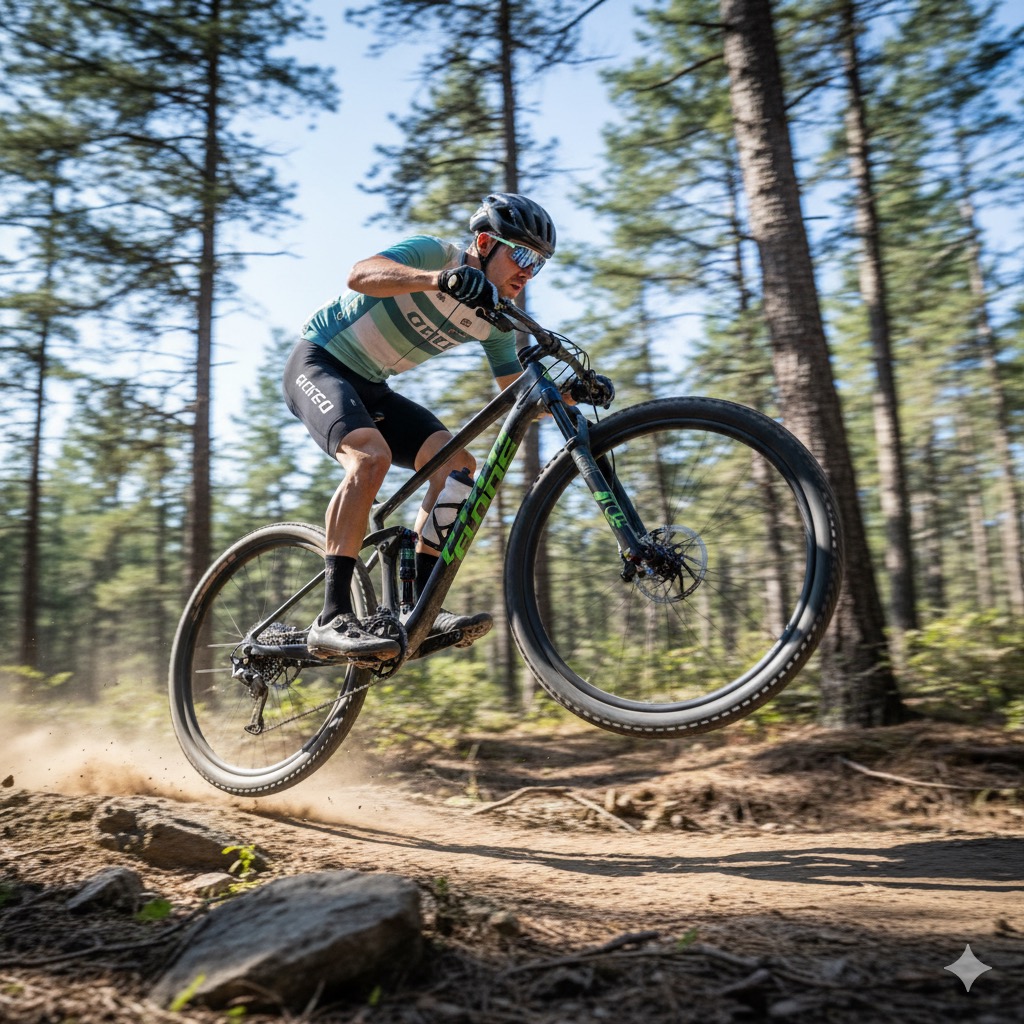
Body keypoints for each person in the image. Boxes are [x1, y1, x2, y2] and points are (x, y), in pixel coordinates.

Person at [283, 192, 557, 664]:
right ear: (486, 242)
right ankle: (331, 615)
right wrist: (438, 279)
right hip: (319, 363)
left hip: (373, 386)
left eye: (541, 263)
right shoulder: (436, 254)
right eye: (524, 255)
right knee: (372, 458)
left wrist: (569, 395)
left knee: (457, 465)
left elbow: (518, 391)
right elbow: (359, 275)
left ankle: (417, 610)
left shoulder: (494, 320)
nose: (530, 271)